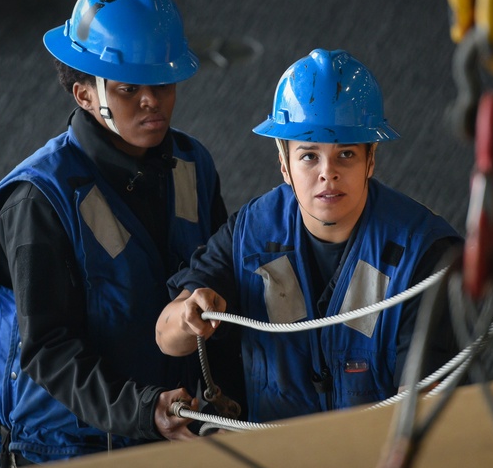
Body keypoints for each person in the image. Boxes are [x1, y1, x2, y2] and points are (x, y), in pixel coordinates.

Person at [0, 0, 227, 468]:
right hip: (62, 454)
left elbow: (218, 274)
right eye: (131, 88)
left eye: (163, 82)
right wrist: (143, 410)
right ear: (84, 94)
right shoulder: (40, 200)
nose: (153, 101)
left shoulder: (193, 165)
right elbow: (48, 351)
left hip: (169, 429)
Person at [156, 49, 463, 423]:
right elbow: (166, 337)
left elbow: (422, 409)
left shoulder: (423, 253)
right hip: (275, 454)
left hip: (379, 456)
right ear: (284, 164)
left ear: (371, 159)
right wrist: (188, 317)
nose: (328, 173)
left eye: (346, 154)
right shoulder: (250, 234)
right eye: (309, 156)